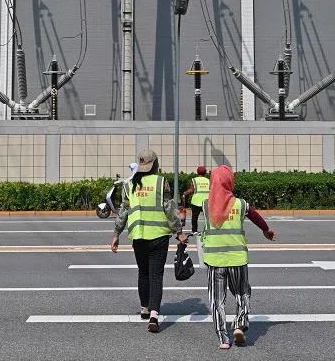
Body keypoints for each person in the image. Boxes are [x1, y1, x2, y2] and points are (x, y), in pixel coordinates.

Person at [182, 164, 275, 349]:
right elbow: (256, 217)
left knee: (217, 300)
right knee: (242, 292)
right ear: (230, 182)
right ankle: (240, 325)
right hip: (237, 258)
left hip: (214, 260)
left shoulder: (206, 205)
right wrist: (266, 230)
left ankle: (223, 339)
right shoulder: (241, 204)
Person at [111, 149, 183, 333]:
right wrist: (178, 232)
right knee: (156, 275)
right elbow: (170, 209)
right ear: (155, 164)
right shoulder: (161, 182)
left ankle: (144, 308)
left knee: (143, 272)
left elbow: (123, 212)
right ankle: (154, 315)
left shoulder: (129, 185)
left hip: (138, 236)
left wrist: (116, 233)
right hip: (159, 235)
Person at [182, 165, 210, 234]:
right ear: (205, 172)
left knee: (195, 217)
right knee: (207, 217)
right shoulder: (208, 181)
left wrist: (185, 193)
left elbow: (192, 190)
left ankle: (194, 230)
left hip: (196, 201)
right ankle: (208, 229)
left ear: (197, 172)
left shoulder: (194, 180)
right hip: (206, 201)